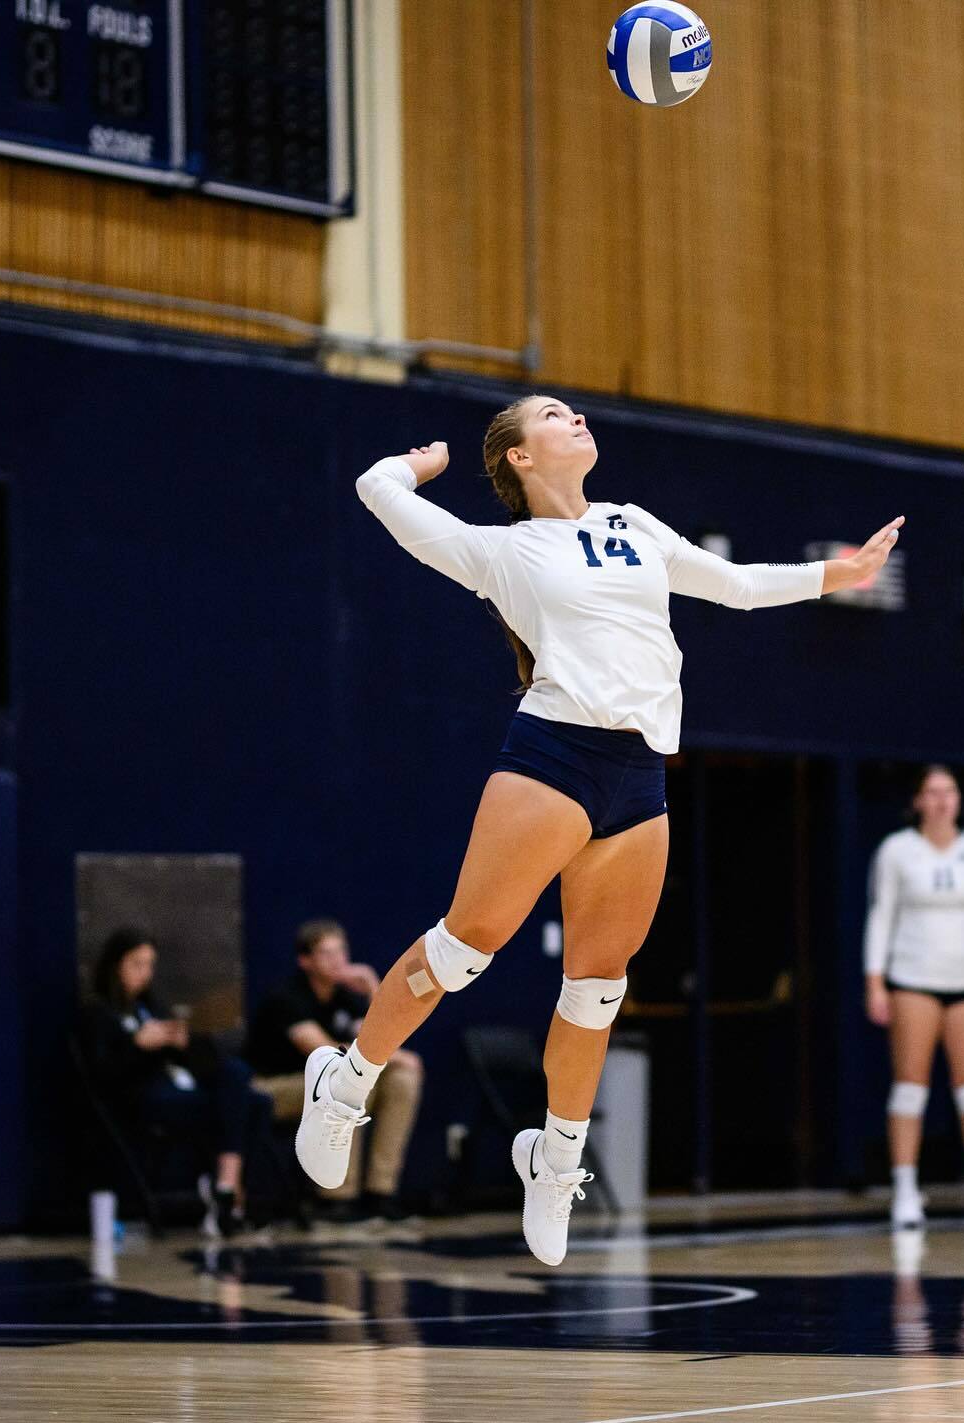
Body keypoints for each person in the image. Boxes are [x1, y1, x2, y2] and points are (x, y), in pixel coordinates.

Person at [294, 399, 903, 1266]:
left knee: (598, 986)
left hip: (641, 771)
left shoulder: (636, 524)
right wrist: (423, 462)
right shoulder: (502, 549)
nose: (575, 415)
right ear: (517, 458)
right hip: (556, 751)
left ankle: (554, 1160)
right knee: (467, 947)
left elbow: (731, 585)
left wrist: (836, 576)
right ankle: (345, 1081)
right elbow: (374, 488)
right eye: (553, 414)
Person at [864, 765, 964, 1229]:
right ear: (917, 801)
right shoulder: (897, 851)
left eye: (949, 791)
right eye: (932, 792)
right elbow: (881, 917)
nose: (942, 800)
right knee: (910, 1088)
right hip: (913, 980)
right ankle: (906, 1190)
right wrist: (876, 982)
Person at [78, 926, 270, 1237]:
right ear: (116, 966)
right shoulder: (97, 1012)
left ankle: (226, 1185)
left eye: (150, 964)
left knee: (243, 1083)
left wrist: (182, 1042)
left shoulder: (148, 1006)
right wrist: (138, 1046)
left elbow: (194, 1062)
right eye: (136, 964)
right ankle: (230, 1193)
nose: (145, 973)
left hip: (175, 1086)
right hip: (138, 1097)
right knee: (245, 1103)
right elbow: (103, 1076)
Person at [246, 919, 423, 1221]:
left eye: (342, 951)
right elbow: (325, 1054)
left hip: (318, 1085)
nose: (338, 960)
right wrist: (393, 1057)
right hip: (271, 1088)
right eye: (327, 953)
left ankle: (380, 1191)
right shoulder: (287, 998)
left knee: (402, 1078)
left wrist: (372, 988)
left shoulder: (344, 998)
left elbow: (382, 1037)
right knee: (343, 1080)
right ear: (305, 961)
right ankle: (335, 1196)